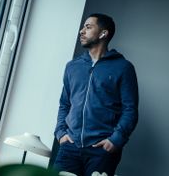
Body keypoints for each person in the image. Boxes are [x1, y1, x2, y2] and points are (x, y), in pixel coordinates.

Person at [53, 13, 139, 176]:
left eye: (88, 27)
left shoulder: (123, 68)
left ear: (103, 33)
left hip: (101, 151)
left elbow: (130, 109)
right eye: (83, 27)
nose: (81, 31)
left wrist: (115, 140)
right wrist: (60, 133)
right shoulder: (73, 67)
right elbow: (65, 104)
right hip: (70, 146)